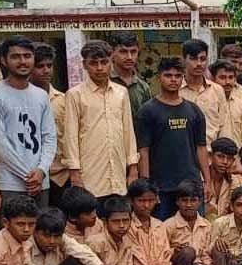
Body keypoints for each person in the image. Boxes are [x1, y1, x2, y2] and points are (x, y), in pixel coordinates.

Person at [0, 36, 57, 210]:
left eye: (27, 56)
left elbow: (49, 137)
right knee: (13, 233)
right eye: (16, 57)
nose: (23, 61)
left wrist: (41, 170)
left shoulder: (40, 95)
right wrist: (28, 176)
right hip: (10, 183)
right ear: (4, 60)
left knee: (41, 233)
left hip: (41, 182)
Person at [135, 57, 211, 220]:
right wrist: (147, 187)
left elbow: (201, 147)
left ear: (183, 77)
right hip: (160, 187)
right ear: (159, 77)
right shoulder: (147, 111)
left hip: (191, 186)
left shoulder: (194, 110)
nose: (173, 79)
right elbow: (143, 151)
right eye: (168, 75)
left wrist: (207, 181)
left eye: (177, 76)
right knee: (161, 234)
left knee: (195, 232)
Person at [62, 40, 139, 199]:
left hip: (118, 176)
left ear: (111, 62)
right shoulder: (75, 95)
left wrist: (133, 168)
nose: (99, 68)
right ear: (84, 64)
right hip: (89, 176)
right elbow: (70, 137)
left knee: (118, 220)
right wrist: (74, 174)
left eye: (104, 62)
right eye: (93, 63)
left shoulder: (121, 92)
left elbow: (128, 132)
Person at [124, 180, 205, 265]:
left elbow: (166, 261)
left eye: (150, 200)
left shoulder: (159, 226)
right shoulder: (128, 227)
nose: (146, 205)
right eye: (141, 201)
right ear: (131, 201)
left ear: (156, 200)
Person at [165, 180, 231, 265]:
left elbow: (205, 252)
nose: (189, 205)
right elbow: (161, 254)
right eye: (184, 200)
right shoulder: (169, 225)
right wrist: (174, 251)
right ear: (177, 202)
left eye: (193, 200)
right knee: (188, 252)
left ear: (199, 202)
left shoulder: (206, 225)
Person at [30, 43, 70, 206]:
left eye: (49, 65)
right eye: (40, 66)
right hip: (32, 176)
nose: (46, 70)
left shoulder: (62, 100)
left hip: (61, 175)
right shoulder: (22, 100)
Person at [179, 39, 228, 147]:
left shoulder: (217, 90)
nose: (199, 64)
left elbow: (223, 126)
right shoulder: (176, 91)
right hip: (183, 153)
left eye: (203, 59)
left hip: (212, 154)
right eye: (193, 59)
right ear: (183, 60)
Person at [107, 30, 151, 115]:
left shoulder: (143, 87)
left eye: (133, 52)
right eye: (123, 52)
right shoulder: (105, 82)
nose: (129, 57)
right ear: (112, 53)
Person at [211, 58, 242, 145]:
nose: (227, 82)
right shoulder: (208, 99)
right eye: (222, 77)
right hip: (215, 154)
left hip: (237, 153)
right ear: (213, 78)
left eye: (231, 77)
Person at [204, 138, 240, 220]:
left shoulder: (234, 181)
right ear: (210, 156)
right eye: (220, 156)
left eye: (229, 158)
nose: (225, 162)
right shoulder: (199, 178)